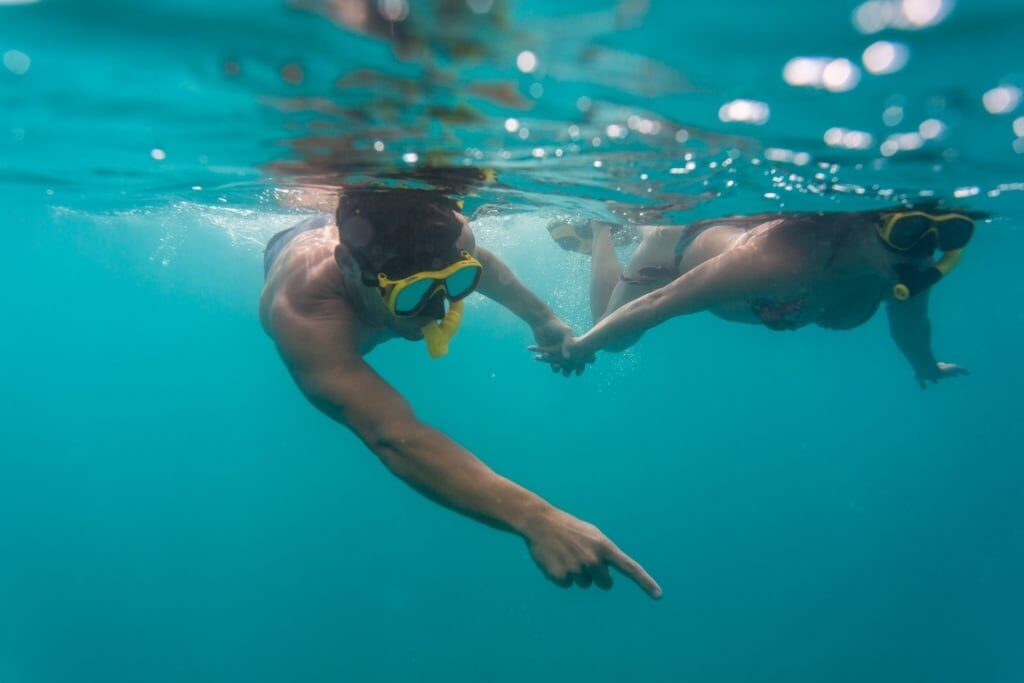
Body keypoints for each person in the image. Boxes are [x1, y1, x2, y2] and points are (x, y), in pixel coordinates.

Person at [259, 188, 661, 597]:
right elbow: (392, 437)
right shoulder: (303, 310)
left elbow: (478, 260)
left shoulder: (450, 241)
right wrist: (536, 519)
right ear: (347, 267)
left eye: (456, 282)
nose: (438, 313)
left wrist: (541, 318)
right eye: (413, 294)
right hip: (303, 245)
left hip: (370, 243)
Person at [541, 207, 975, 387]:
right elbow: (658, 305)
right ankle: (602, 227)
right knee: (613, 340)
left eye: (944, 238)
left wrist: (926, 367)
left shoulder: (902, 270)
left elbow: (911, 326)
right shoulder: (780, 258)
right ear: (864, 224)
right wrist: (585, 345)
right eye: (907, 233)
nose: (923, 251)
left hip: (729, 273)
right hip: (672, 250)